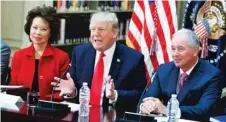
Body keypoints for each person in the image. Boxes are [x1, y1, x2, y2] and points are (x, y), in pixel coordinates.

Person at [52, 12, 147, 111]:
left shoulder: (133, 58)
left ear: (114, 33)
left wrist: (115, 95)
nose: (95, 34)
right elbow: (74, 89)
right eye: (93, 29)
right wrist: (72, 92)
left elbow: (140, 94)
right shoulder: (80, 53)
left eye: (101, 29)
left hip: (113, 116)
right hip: (82, 115)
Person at [140, 29, 225, 121]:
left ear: (196, 50)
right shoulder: (164, 69)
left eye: (181, 49)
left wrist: (167, 110)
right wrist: (146, 105)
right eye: (173, 49)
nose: (175, 54)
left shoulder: (212, 75)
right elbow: (148, 97)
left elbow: (204, 110)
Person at [9, 5, 70, 99]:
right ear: (29, 28)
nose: (37, 32)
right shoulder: (19, 55)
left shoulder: (62, 57)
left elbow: (63, 91)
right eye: (35, 27)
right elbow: (13, 89)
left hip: (49, 109)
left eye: (43, 29)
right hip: (21, 108)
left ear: (50, 33)